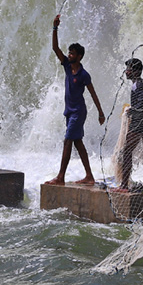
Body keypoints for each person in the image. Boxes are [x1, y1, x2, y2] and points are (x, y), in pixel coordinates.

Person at [44, 14, 105, 186]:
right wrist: (55, 28)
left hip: (78, 112)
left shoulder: (84, 74)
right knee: (78, 142)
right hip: (69, 111)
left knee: (68, 140)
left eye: (72, 53)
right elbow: (56, 48)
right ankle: (89, 176)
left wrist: (100, 112)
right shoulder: (67, 65)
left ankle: (60, 177)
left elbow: (93, 93)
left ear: (79, 56)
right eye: (69, 52)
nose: (69, 54)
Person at [114, 58, 143, 188]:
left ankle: (124, 185)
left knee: (127, 151)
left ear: (136, 71)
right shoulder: (140, 83)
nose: (126, 72)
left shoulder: (139, 85)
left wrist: (132, 111)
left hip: (140, 122)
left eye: (129, 69)